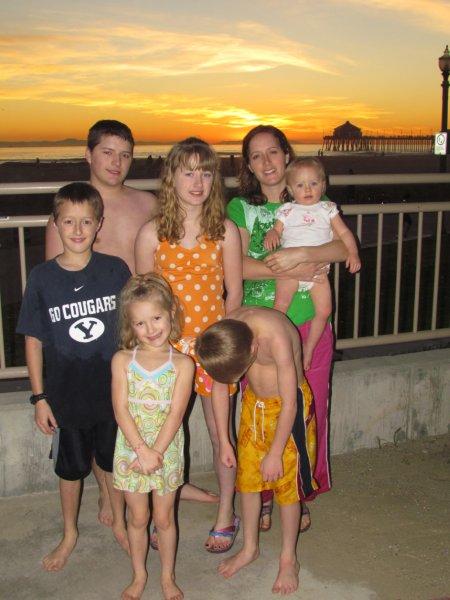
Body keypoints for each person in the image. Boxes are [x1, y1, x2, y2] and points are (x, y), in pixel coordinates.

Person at [226, 125, 348, 532]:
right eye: (256, 155)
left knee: (310, 408)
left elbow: (342, 247)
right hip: (260, 329)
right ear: (248, 165)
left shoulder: (312, 197)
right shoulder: (241, 208)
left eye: (273, 152)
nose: (267, 162)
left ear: (287, 154)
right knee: (259, 413)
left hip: (310, 321)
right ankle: (262, 492)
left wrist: (302, 253)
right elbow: (236, 265)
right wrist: (289, 268)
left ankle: (298, 489)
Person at [44, 120, 159, 531]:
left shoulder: (147, 203)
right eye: (107, 152)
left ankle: (153, 483)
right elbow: (54, 286)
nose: (116, 162)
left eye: (125, 154)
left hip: (144, 327)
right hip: (92, 335)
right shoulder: (72, 212)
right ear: (88, 155)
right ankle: (109, 495)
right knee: (98, 416)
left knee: (140, 416)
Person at [135, 137, 243, 552]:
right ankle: (157, 514)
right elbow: (144, 300)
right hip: (167, 351)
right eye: (188, 172)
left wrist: (223, 343)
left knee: (221, 435)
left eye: (206, 172)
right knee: (161, 434)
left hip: (212, 349)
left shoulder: (225, 231)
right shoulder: (152, 233)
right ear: (172, 177)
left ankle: (226, 511)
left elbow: (234, 294)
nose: (197, 182)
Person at [16, 182, 131, 571]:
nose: (78, 230)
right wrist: (39, 398)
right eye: (68, 221)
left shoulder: (115, 270)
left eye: (86, 221)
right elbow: (33, 341)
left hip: (114, 393)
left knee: (113, 462)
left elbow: (132, 327)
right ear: (55, 223)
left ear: (99, 224)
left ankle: (120, 522)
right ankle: (69, 533)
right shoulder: (42, 278)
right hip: (66, 396)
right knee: (70, 469)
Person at [195, 307, 317, 595]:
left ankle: (289, 558)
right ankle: (250, 548)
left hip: (288, 410)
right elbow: (220, 388)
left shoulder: (276, 339)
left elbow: (291, 404)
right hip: (254, 406)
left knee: (287, 489)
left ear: (253, 349)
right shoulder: (227, 334)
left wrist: (275, 453)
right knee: (247, 481)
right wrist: (224, 440)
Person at [112, 273, 194, 600]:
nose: (150, 329)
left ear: (170, 313)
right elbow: (120, 409)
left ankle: (167, 576)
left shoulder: (183, 364)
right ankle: (139, 574)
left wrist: (154, 452)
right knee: (138, 517)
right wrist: (141, 450)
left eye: (156, 318)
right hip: (130, 450)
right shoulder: (122, 360)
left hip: (166, 450)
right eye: (140, 323)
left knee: (164, 518)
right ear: (130, 326)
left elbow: (176, 413)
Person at [264, 157, 361, 370]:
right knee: (280, 307)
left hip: (318, 271)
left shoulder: (327, 209)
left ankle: (308, 349)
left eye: (313, 183)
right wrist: (272, 234)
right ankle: (277, 345)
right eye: (300, 185)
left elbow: (345, 233)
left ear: (323, 185)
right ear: (291, 189)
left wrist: (353, 254)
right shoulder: (287, 210)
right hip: (290, 269)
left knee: (324, 311)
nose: (307, 189)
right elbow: (276, 230)